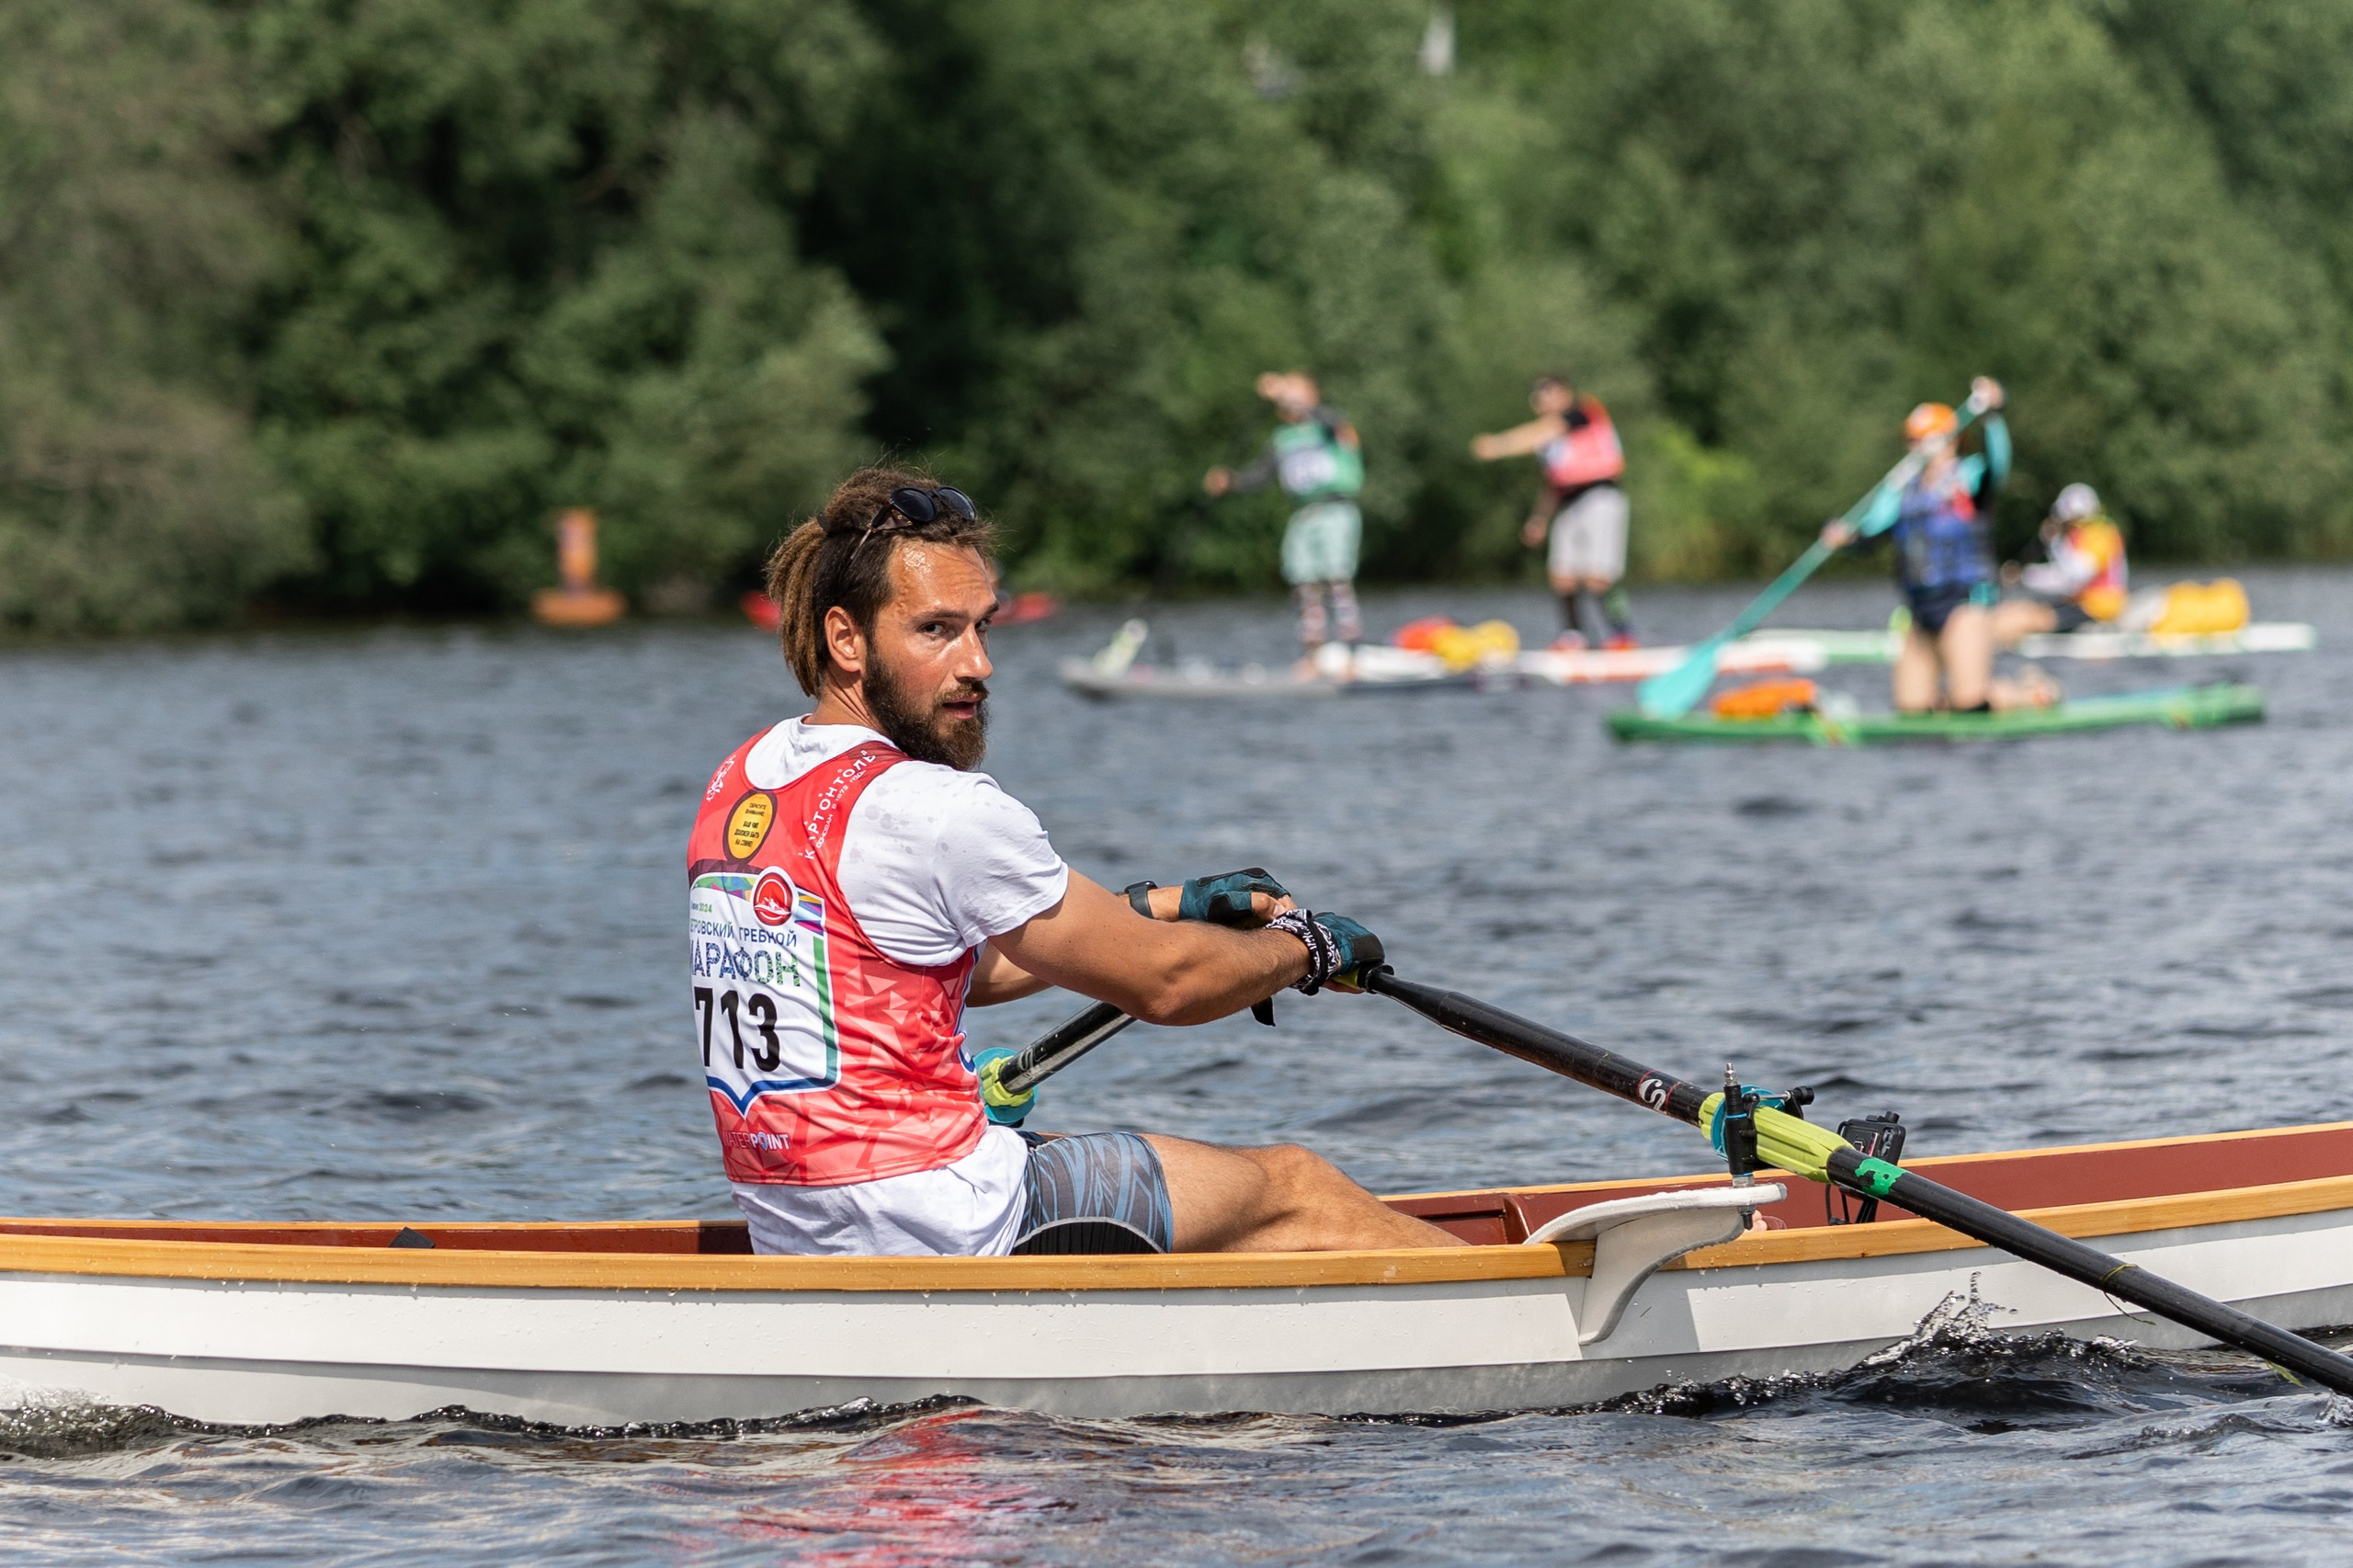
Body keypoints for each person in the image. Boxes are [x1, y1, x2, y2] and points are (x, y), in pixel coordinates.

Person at [694, 465, 1461, 1258]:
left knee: (1207, 1205)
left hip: (801, 1223)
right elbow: (1171, 986)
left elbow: (929, 967)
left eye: (982, 627)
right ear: (845, 638)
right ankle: (1516, 1305)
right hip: (946, 1220)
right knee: (1297, 1188)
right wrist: (1305, 948)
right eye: (936, 631)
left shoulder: (742, 780)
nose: (977, 664)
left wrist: (1166, 906)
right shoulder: (940, 808)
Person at [1821, 378, 2056, 712]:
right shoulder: (1899, 490)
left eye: (1924, 439)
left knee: (1968, 701)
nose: (1916, 447)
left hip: (1964, 601)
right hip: (1920, 607)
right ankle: (1955, 703)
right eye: (1911, 440)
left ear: (1951, 441)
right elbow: (1869, 537)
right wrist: (1845, 538)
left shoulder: (1969, 477)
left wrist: (1992, 416)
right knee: (1912, 708)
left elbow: (1997, 466)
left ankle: (2032, 693)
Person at [1204, 372, 1365, 665]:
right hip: (1303, 514)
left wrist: (1285, 393)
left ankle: (1350, 651)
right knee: (1303, 581)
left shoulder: (1330, 426)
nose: (1288, 397)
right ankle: (1313, 654)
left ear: (1312, 395)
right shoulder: (1283, 438)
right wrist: (1230, 481)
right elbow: (1260, 476)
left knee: (1336, 578)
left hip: (1334, 509)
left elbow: (1329, 420)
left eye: (1296, 390)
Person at [1471, 373, 1635, 650]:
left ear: (1564, 393)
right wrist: (1539, 519)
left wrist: (1498, 445)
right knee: (1562, 575)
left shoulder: (1583, 413)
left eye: (1546, 391)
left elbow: (1543, 431)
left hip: (1600, 497)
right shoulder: (1549, 444)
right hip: (1568, 502)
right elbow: (1552, 484)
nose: (1540, 398)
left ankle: (1622, 636)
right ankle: (1573, 637)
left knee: (1598, 577)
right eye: (1537, 393)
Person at [1990, 483, 2128, 647]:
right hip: (2080, 604)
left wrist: (2054, 543)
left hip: (2099, 609)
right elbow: (2061, 576)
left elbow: (2077, 575)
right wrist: (2023, 576)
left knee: (2019, 620)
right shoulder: (2080, 535)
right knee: (2011, 611)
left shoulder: (2101, 534)